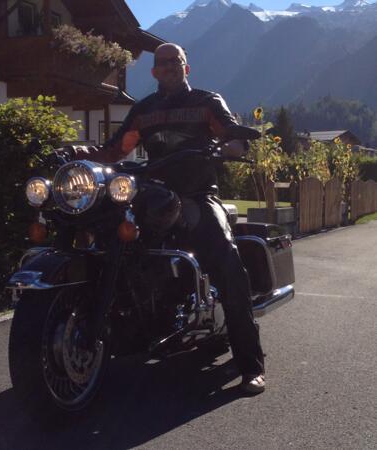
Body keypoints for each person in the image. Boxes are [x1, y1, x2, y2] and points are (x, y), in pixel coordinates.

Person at [74, 43, 265, 394]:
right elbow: (117, 150)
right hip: (154, 194)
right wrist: (83, 152)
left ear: (186, 68)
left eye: (176, 62)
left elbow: (230, 135)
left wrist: (229, 147)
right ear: (154, 72)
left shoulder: (207, 102)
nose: (170, 67)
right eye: (163, 64)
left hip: (198, 194)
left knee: (227, 262)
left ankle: (251, 364)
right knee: (111, 236)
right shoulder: (144, 110)